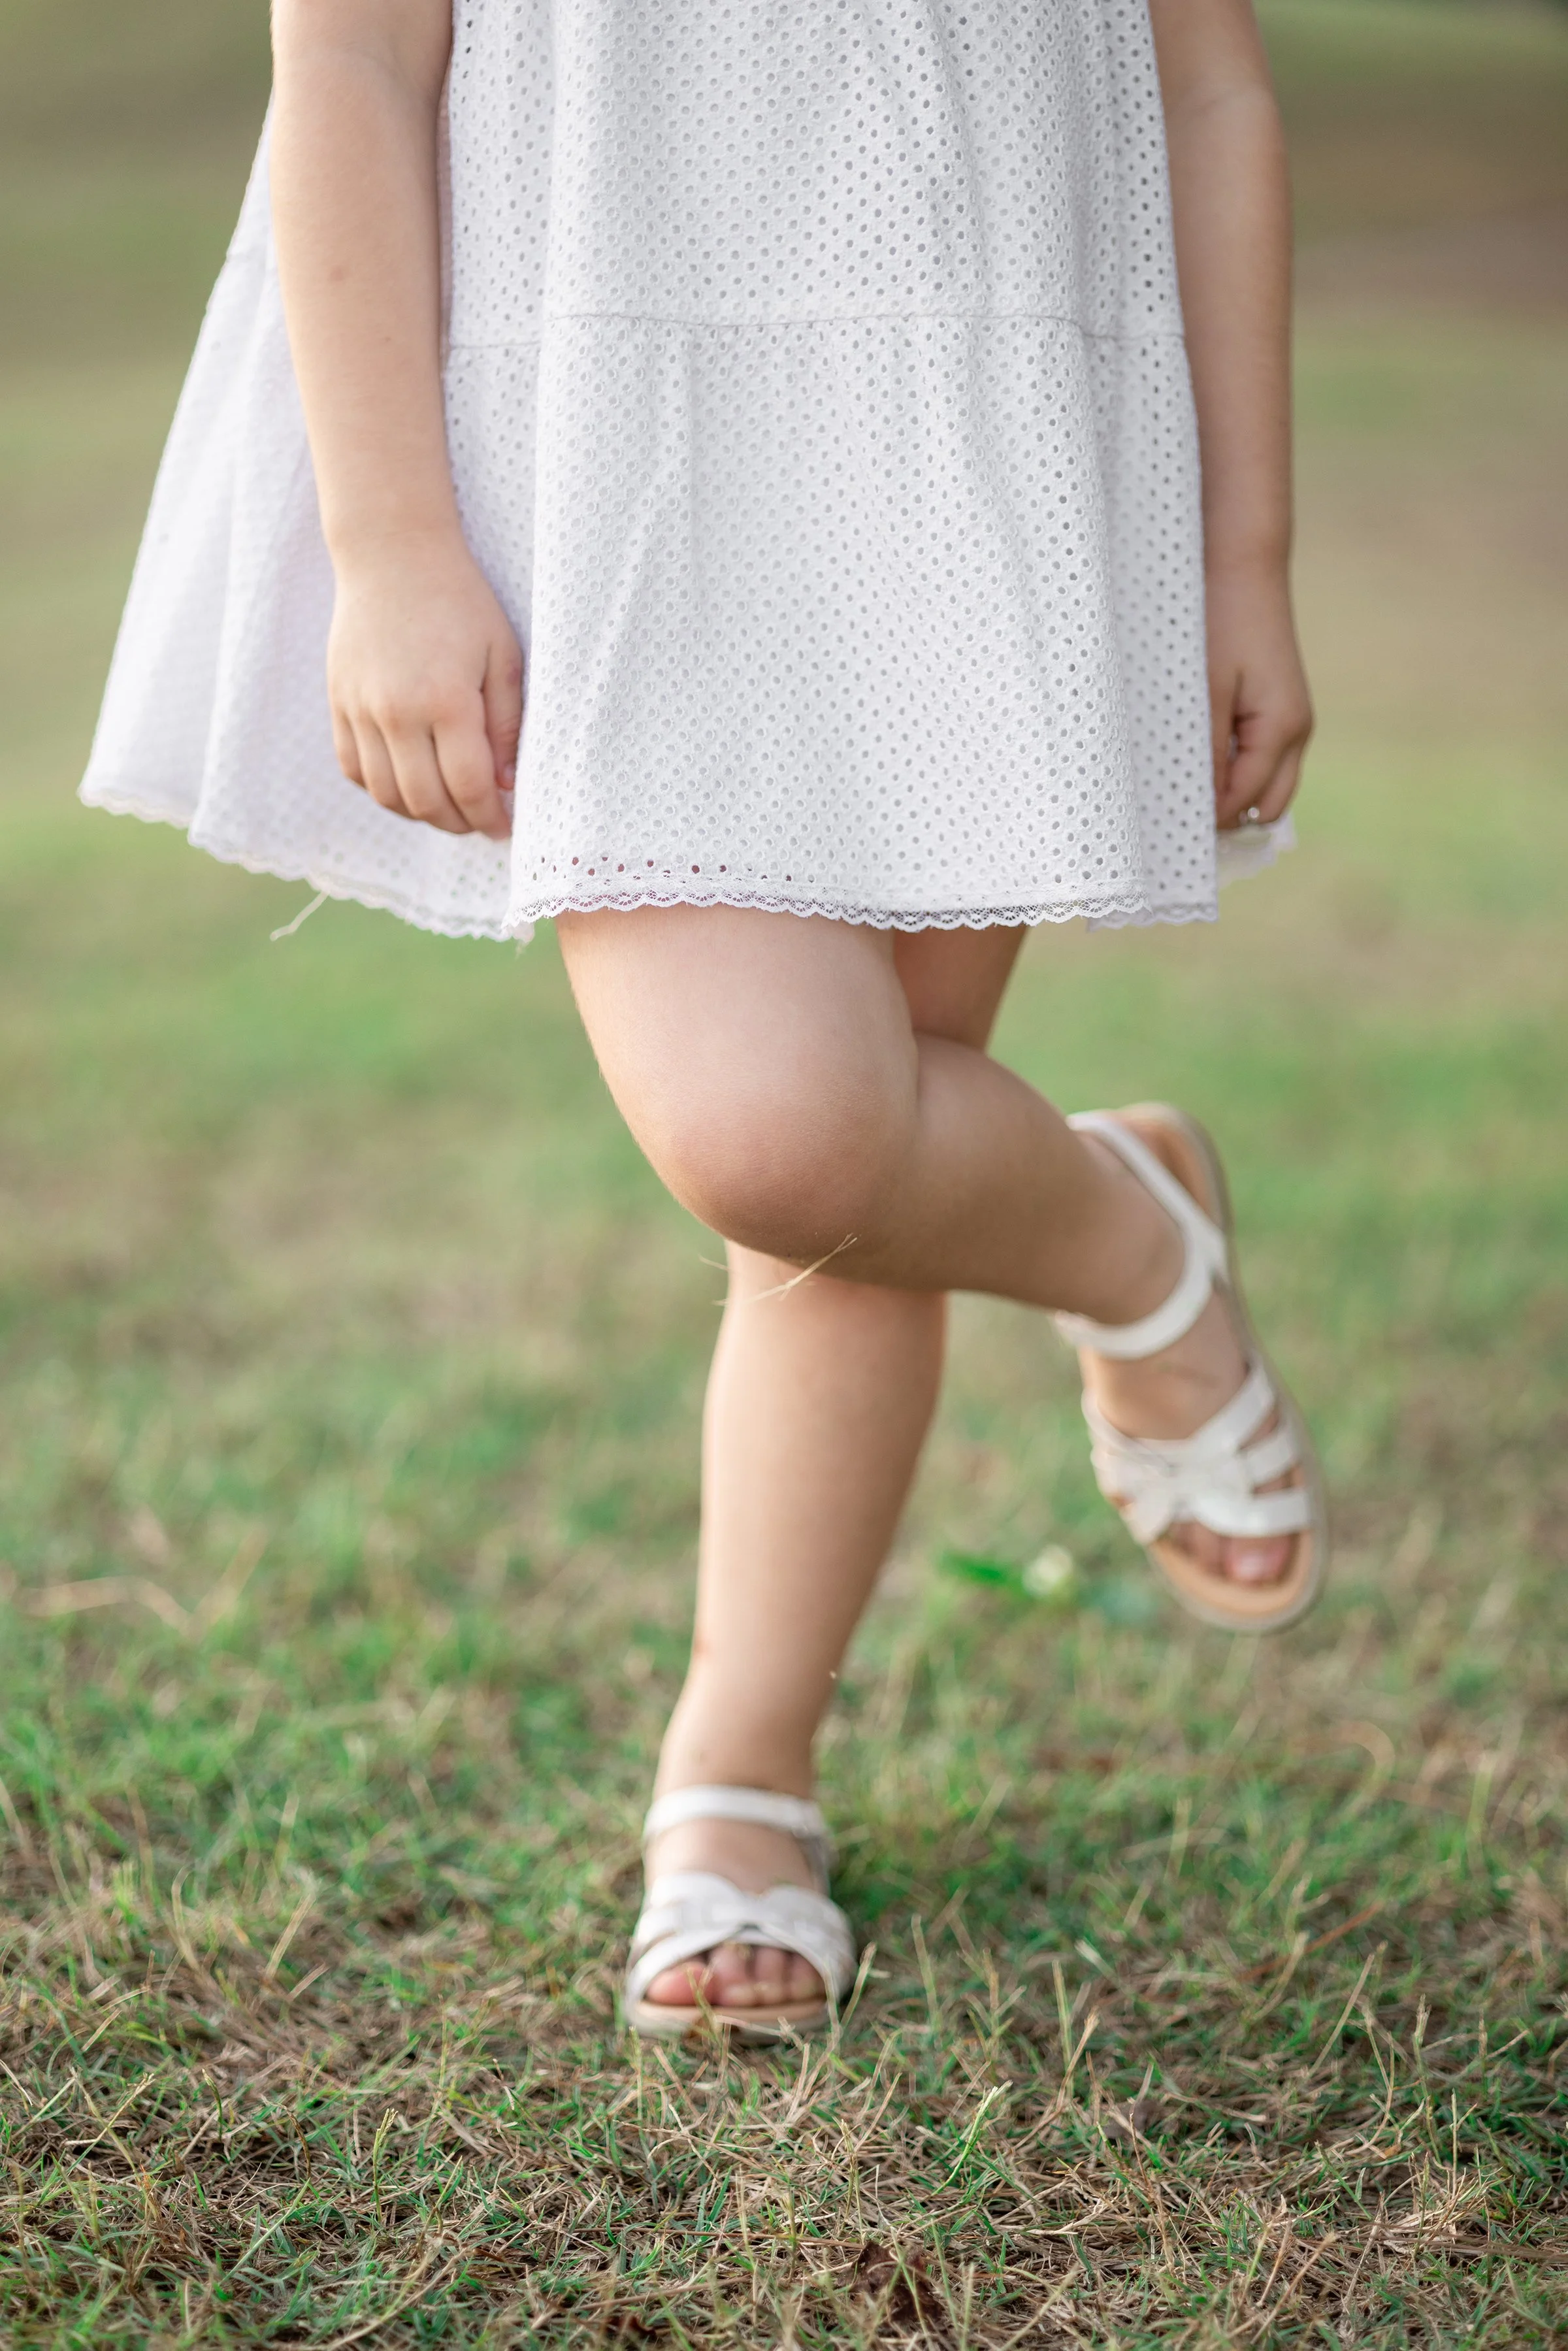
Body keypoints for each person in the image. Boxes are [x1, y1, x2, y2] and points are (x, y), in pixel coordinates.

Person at [82, 0, 1326, 2041]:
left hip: (987, 417)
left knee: (835, 1189)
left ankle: (740, 1782)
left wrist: (1248, 548)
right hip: (611, 435)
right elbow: (357, 67)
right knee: (785, 1130)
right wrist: (391, 538)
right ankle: (1124, 1233)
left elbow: (1207, 78)